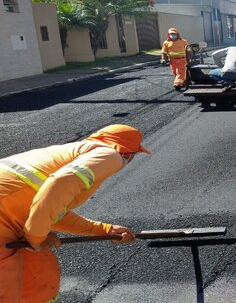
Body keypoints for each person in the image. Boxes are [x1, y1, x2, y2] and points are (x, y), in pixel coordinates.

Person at [0, 124, 150, 302]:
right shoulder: (110, 155)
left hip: (9, 223)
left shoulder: (75, 152)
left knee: (41, 276)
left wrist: (103, 229)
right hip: (5, 227)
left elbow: (52, 209)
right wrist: (36, 236)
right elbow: (58, 185)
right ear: (130, 154)